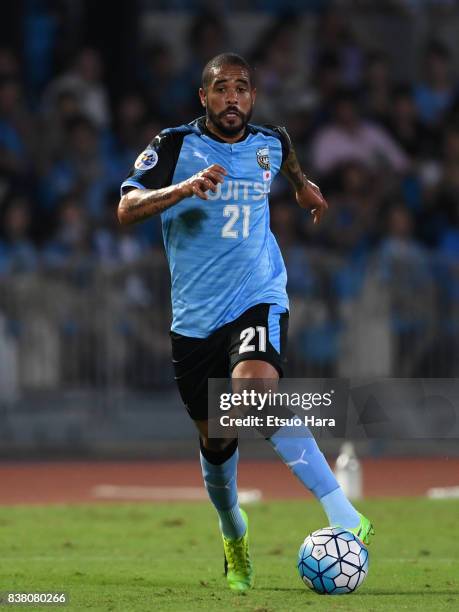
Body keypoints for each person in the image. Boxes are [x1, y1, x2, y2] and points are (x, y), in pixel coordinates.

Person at [118, 53, 374, 592]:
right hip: (194, 321)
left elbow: (286, 158)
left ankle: (346, 515)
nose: (231, 97)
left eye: (241, 88)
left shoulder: (271, 141)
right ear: (203, 98)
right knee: (217, 446)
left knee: (255, 391)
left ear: (252, 98)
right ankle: (234, 532)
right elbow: (127, 208)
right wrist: (183, 189)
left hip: (257, 296)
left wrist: (303, 185)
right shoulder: (173, 146)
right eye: (220, 89)